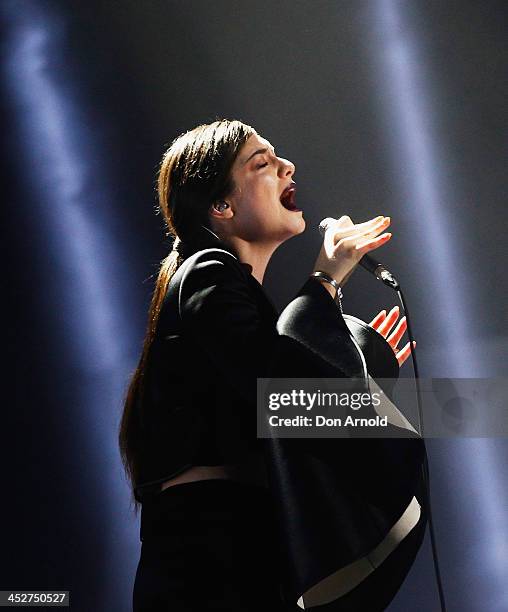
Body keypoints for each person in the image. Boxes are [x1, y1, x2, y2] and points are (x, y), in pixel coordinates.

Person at [119, 119, 426, 611]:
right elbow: (278, 389)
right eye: (262, 163)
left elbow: (290, 394)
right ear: (222, 206)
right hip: (209, 560)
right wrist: (324, 286)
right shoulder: (206, 271)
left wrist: (359, 357)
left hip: (243, 548)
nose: (288, 167)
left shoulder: (233, 295)